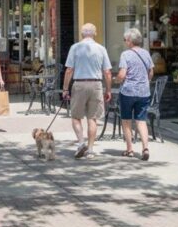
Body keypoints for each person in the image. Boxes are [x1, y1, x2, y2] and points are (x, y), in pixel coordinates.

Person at [62, 23, 112, 160]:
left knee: (76, 117)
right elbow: (107, 72)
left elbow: (69, 70)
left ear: (82, 34)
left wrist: (65, 89)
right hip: (96, 84)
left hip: (79, 84)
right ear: (95, 33)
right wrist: (108, 89)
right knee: (93, 118)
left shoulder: (75, 48)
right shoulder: (101, 49)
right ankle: (90, 150)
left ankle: (81, 143)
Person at [116, 28, 153, 160]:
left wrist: (117, 80)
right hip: (143, 92)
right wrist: (145, 82)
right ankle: (145, 148)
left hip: (128, 92)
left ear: (130, 41)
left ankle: (130, 149)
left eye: (125, 40)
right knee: (141, 121)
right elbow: (151, 72)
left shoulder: (125, 54)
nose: (125, 42)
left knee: (126, 120)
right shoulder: (146, 53)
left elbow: (122, 74)